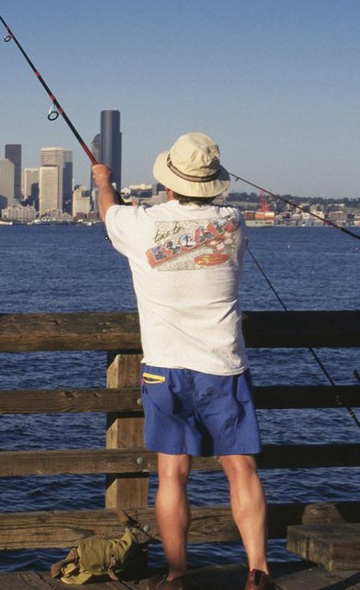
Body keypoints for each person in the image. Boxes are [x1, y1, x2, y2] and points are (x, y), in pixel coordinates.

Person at [92, 132, 272, 590]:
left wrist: (103, 179)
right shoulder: (234, 221)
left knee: (172, 473)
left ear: (169, 183)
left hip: (164, 368)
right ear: (213, 183)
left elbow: (109, 211)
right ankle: (259, 572)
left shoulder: (139, 224)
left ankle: (176, 575)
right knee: (241, 468)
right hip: (223, 365)